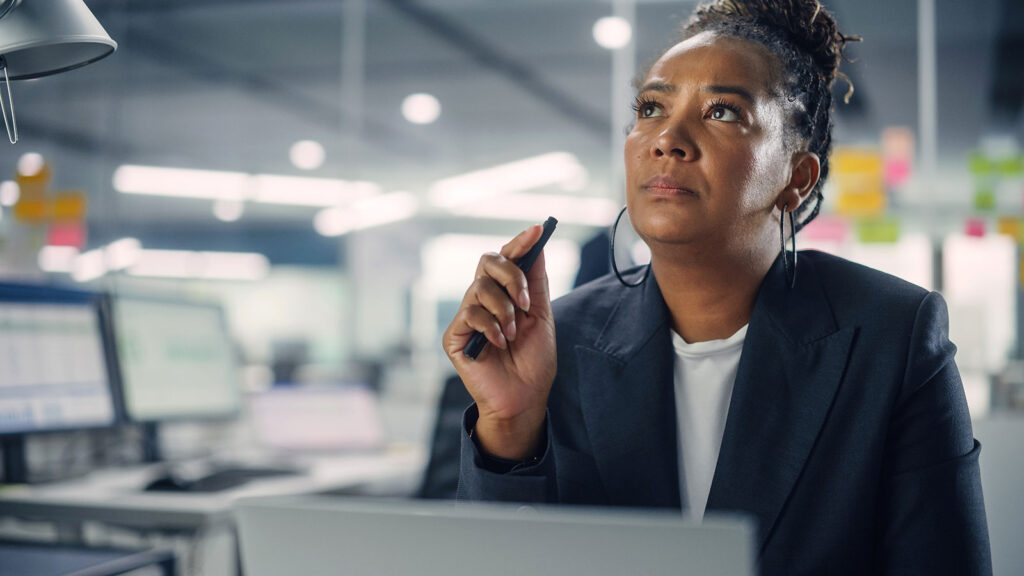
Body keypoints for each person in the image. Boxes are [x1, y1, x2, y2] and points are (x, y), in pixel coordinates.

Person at [441, 0, 992, 573]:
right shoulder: (556, 341)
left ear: (796, 178)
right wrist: (510, 425)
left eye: (722, 112)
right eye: (651, 108)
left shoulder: (893, 336)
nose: (667, 139)